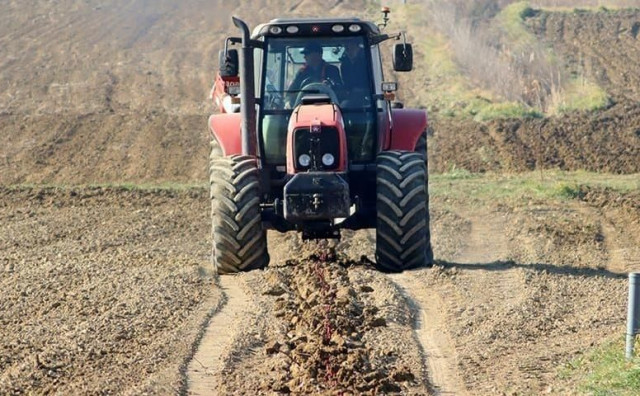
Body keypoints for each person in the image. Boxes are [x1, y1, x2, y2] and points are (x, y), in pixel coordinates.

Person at [286, 42, 342, 107]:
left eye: (307, 54)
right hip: (304, 106)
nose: (304, 57)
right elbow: (291, 92)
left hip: (329, 106)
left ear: (318, 55)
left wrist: (331, 86)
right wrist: (288, 101)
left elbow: (340, 91)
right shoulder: (301, 72)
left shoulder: (332, 70)